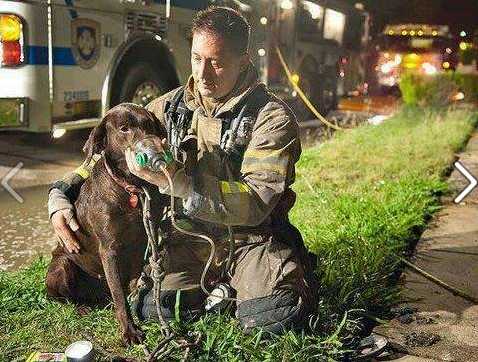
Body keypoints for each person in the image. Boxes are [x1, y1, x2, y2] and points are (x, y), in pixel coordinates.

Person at [48, 6, 317, 334]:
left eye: (216, 63)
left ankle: (279, 274)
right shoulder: (164, 109)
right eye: (196, 59)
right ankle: (221, 292)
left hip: (252, 240)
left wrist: (180, 183)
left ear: (243, 61)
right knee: (152, 311)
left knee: (274, 318)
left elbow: (257, 201)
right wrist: (60, 196)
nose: (203, 75)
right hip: (189, 241)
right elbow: (101, 158)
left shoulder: (270, 120)